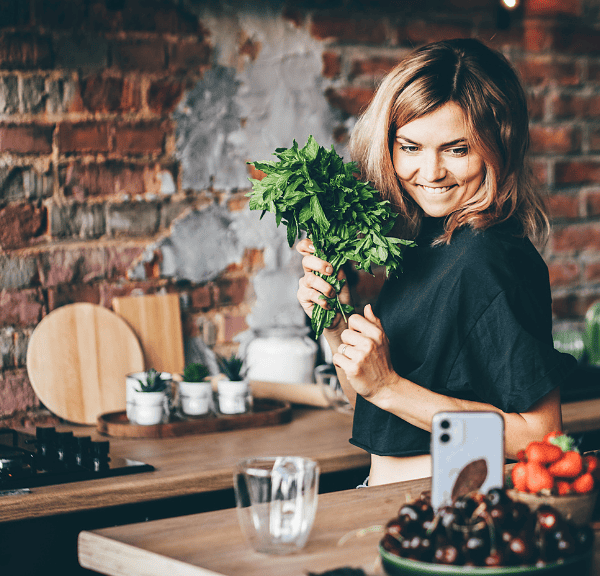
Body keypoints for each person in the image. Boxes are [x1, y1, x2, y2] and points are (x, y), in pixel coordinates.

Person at [295, 38, 576, 487]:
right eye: (410, 148)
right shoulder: (430, 241)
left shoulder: (488, 258)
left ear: (498, 144)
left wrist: (389, 386)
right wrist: (335, 321)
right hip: (393, 498)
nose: (430, 173)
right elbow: (370, 399)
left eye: (457, 149)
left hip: (452, 504)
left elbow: (540, 435)